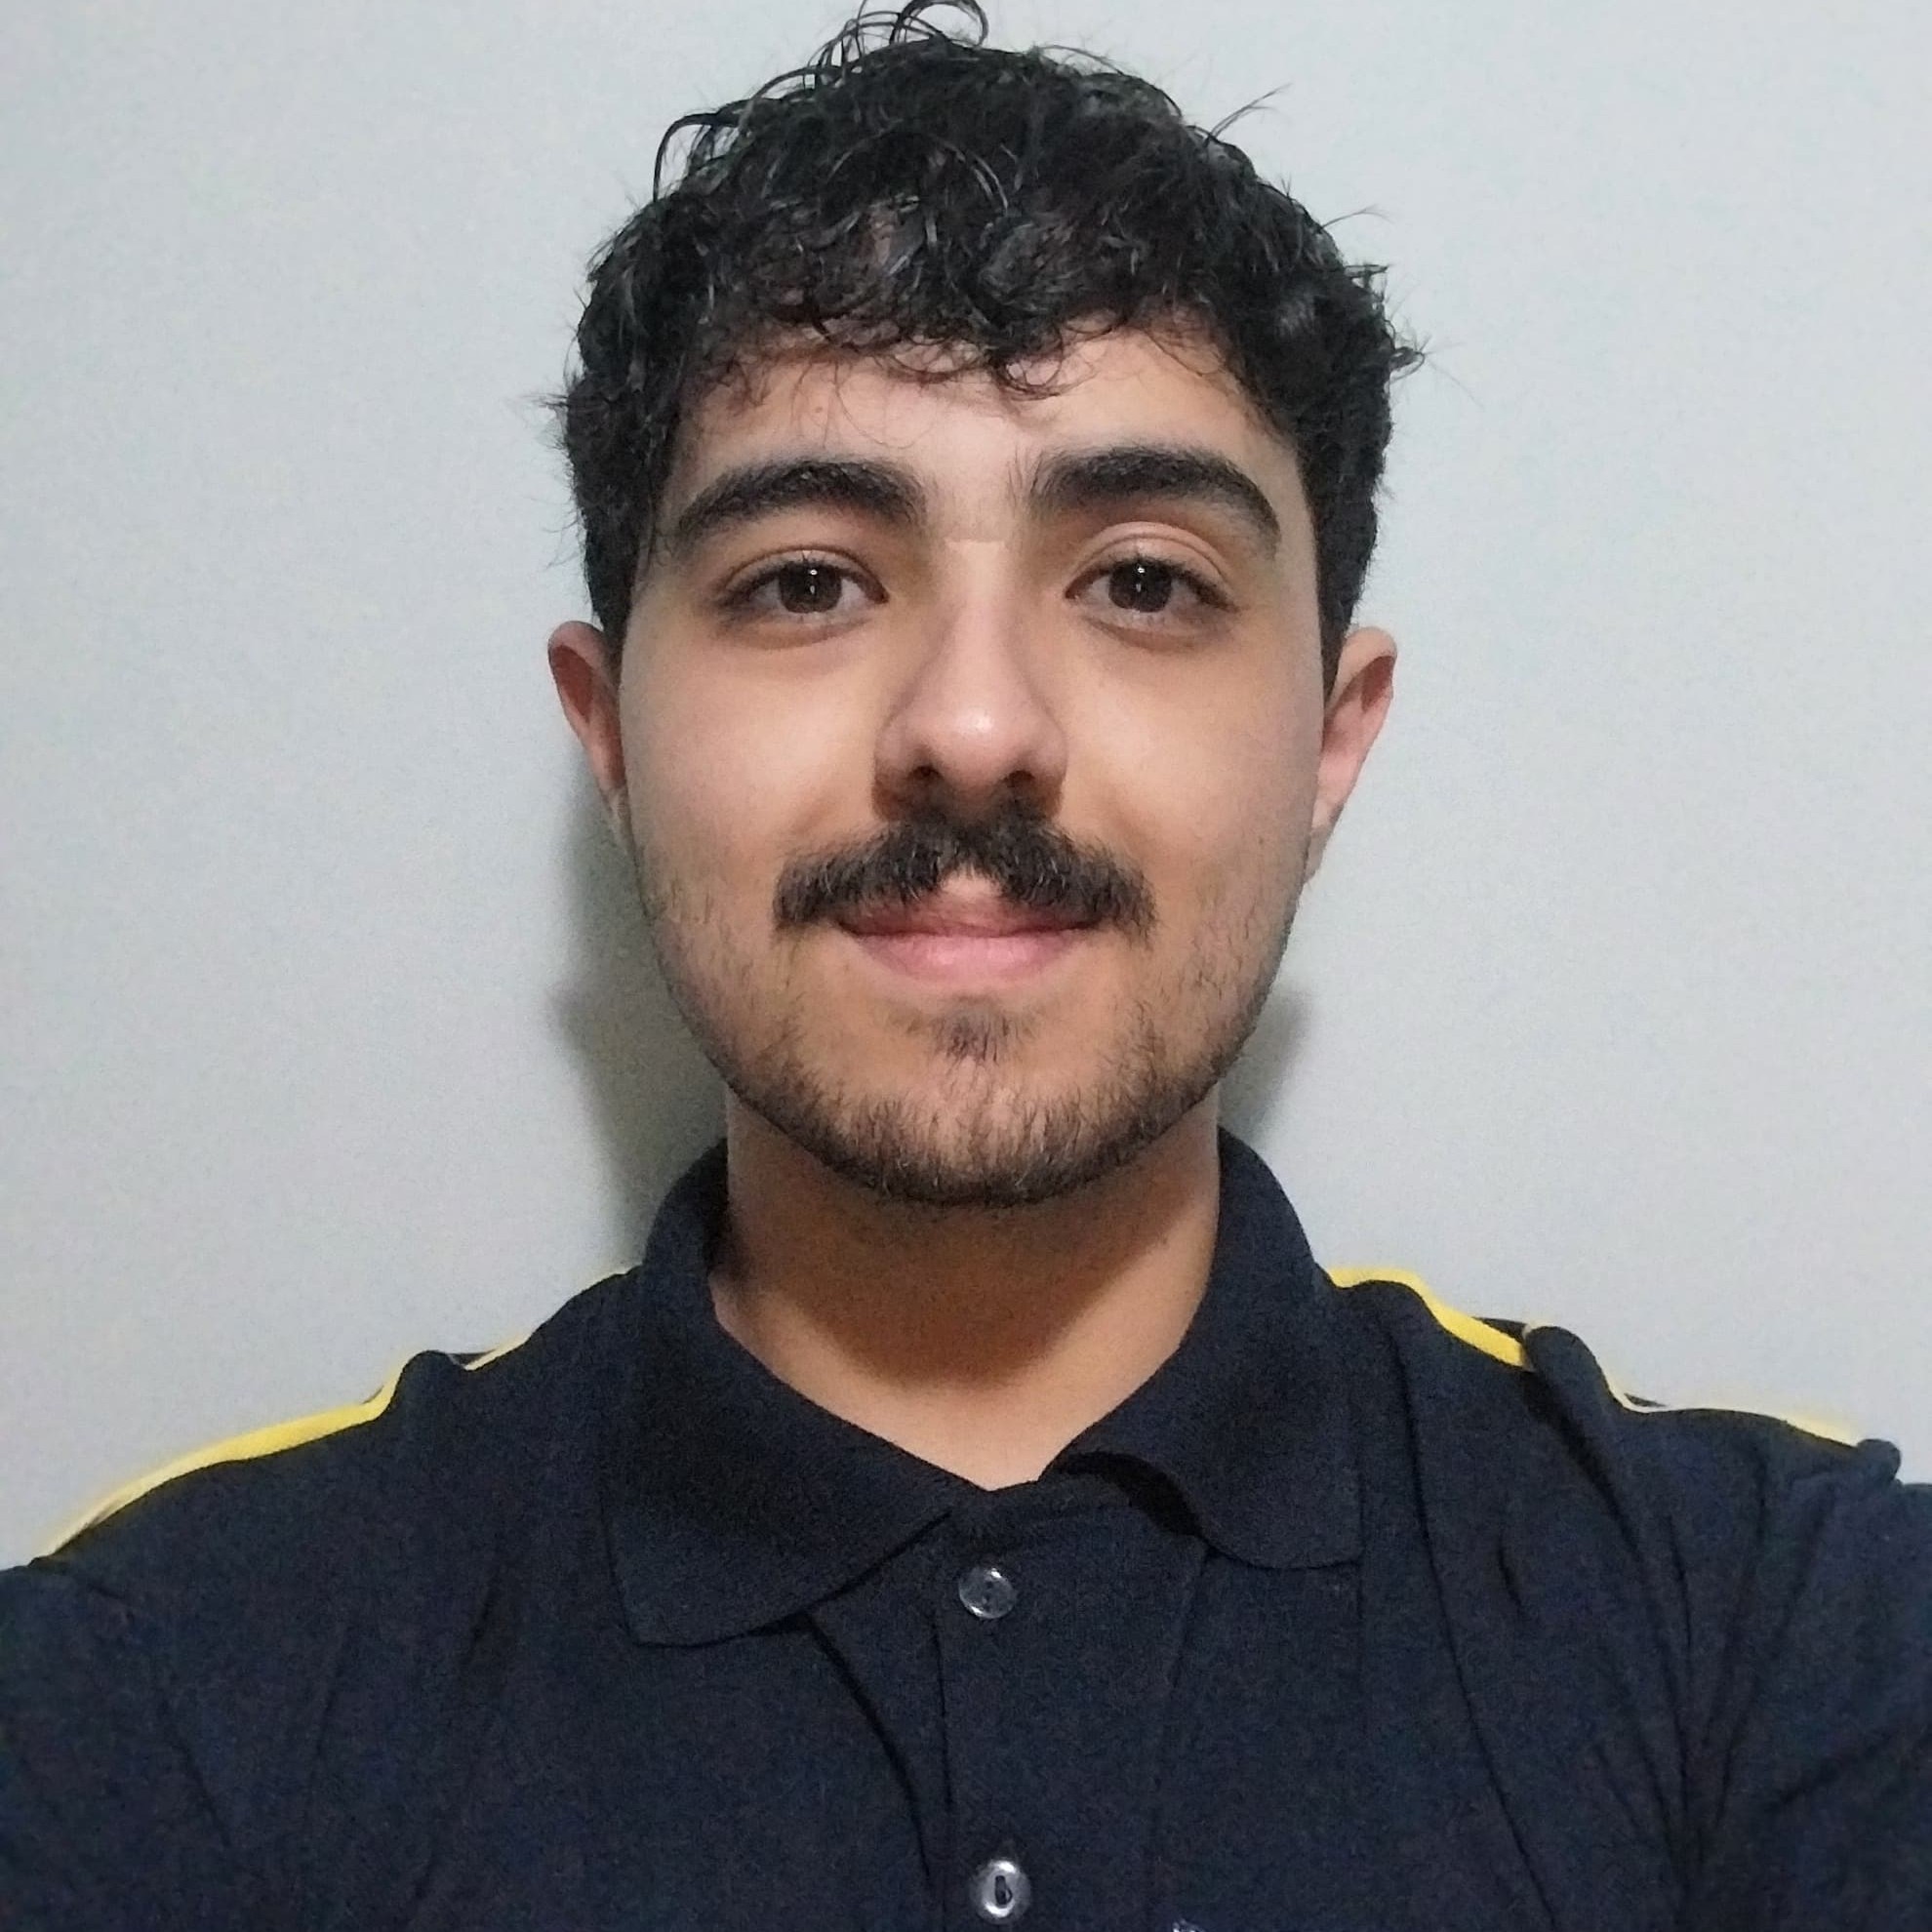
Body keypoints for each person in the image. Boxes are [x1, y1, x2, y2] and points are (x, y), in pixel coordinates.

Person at [5, 2, 1928, 1924]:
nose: (977, 726)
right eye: (807, 581)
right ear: (611, 735)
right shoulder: (152, 1696)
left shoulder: (1790, 1639)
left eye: (1144, 581)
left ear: (1331, 740)